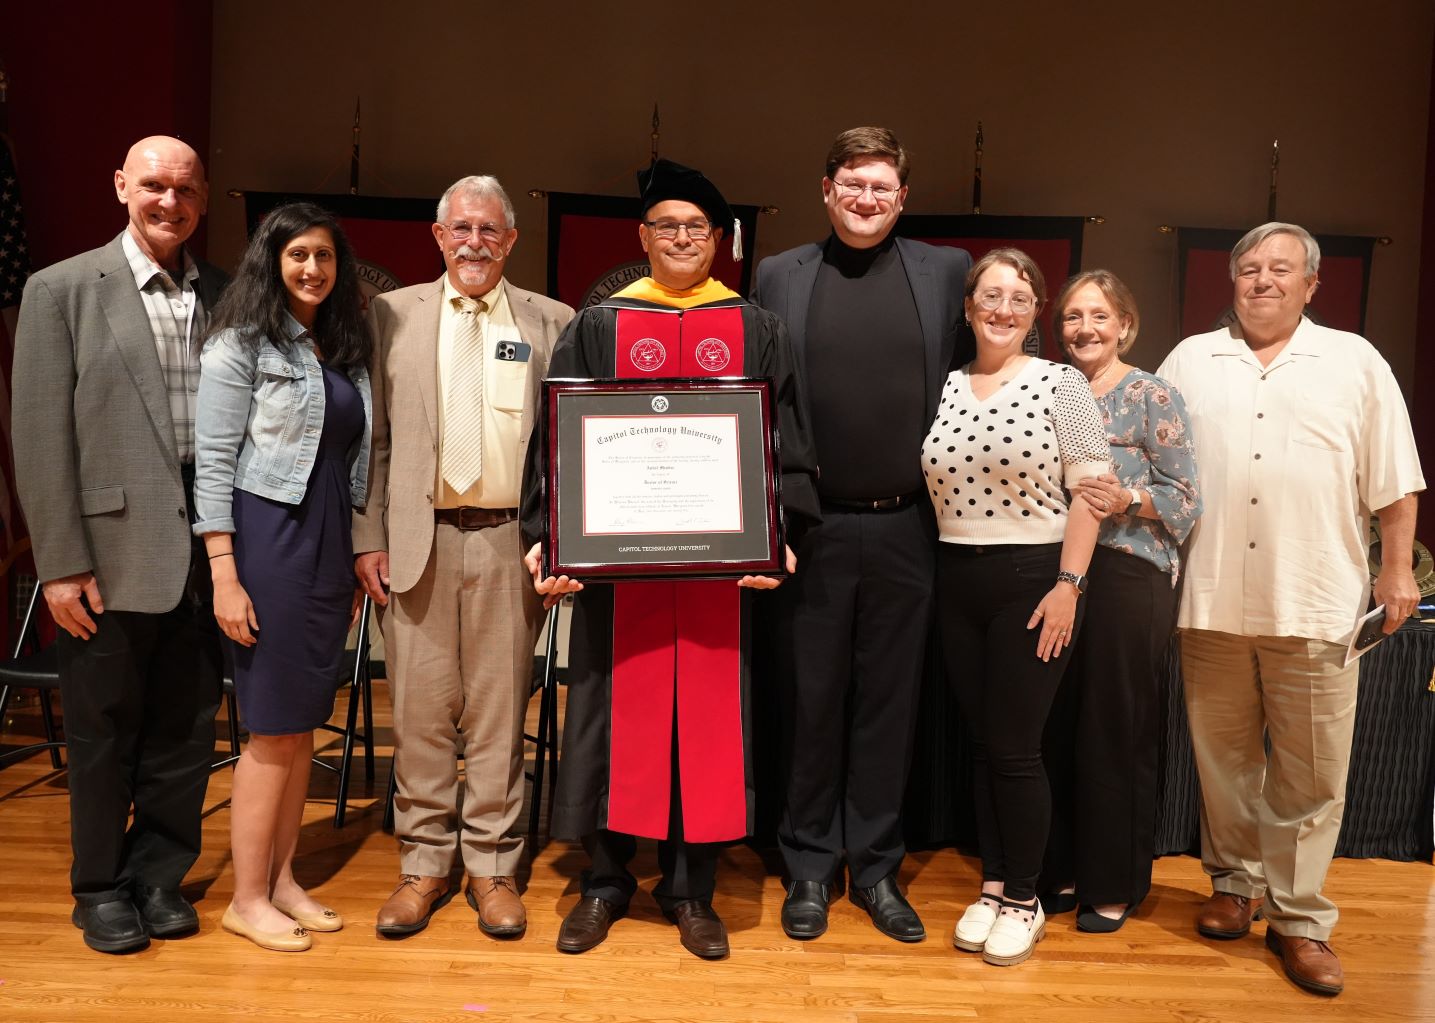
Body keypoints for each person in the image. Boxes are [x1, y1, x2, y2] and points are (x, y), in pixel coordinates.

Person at [521, 158, 820, 960]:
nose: (681, 239)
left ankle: (691, 888)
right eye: (666, 226)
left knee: (705, 724)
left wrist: (780, 533)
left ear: (718, 239)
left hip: (719, 577)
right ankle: (605, 881)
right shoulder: (600, 324)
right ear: (642, 236)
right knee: (613, 713)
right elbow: (555, 439)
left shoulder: (756, 328)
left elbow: (787, 440)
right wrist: (550, 534)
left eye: (695, 227)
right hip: (622, 577)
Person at [1157, 223, 1424, 996]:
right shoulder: (1189, 360)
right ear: (1230, 281)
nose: (1262, 279)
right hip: (1209, 597)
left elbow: (1394, 478)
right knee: (1223, 760)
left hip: (1314, 598)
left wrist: (1395, 569)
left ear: (1311, 284)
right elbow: (1154, 469)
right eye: (1248, 268)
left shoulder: (1354, 361)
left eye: (1280, 268)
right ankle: (1233, 884)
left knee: (1311, 771)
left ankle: (1299, 918)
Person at [751, 126, 971, 943]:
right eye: (852, 183)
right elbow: (762, 398)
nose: (865, 198)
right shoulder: (779, 273)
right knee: (810, 701)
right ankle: (809, 863)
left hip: (910, 524)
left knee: (888, 705)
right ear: (826, 189)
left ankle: (875, 867)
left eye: (881, 186)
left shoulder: (945, 271)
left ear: (902, 197)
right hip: (811, 526)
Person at [11, 136, 226, 954]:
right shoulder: (61, 289)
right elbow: (38, 435)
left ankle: (159, 877)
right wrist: (60, 564)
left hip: (206, 547)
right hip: (104, 554)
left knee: (186, 726)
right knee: (103, 731)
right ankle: (100, 887)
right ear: (120, 187)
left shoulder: (227, 292)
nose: (169, 201)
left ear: (202, 197)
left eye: (185, 189)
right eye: (154, 185)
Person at [352, 175, 573, 940]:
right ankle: (423, 865)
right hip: (417, 540)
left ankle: (492, 868)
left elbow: (564, 448)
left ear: (510, 240)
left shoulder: (551, 320)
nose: (474, 242)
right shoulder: (390, 314)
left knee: (497, 714)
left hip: (510, 542)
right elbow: (372, 439)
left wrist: (563, 542)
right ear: (438, 237)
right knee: (418, 713)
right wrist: (367, 535)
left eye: (489, 230)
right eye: (461, 228)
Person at [192, 202, 372, 951]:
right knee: (270, 729)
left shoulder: (342, 345)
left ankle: (284, 878)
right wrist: (224, 575)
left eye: (324, 256)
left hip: (328, 538)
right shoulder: (238, 343)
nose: (312, 268)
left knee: (301, 726)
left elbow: (352, 457)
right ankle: (247, 897)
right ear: (271, 260)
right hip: (268, 538)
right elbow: (212, 462)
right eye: (297, 254)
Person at [927, 248, 1110, 967]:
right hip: (955, 575)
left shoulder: (1061, 383)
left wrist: (1069, 585)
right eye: (991, 295)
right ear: (968, 306)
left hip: (1034, 578)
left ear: (1035, 312)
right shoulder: (943, 384)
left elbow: (1091, 492)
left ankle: (1024, 898)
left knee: (1015, 747)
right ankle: (994, 884)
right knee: (983, 745)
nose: (1003, 309)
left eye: (1019, 298)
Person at [1038, 270, 1201, 932]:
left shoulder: (1151, 394)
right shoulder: (1048, 388)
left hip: (1130, 573)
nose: (1085, 328)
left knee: (1115, 727)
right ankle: (1061, 866)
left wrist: (1128, 498)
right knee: (1057, 724)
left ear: (1125, 326)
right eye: (1073, 316)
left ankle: (1112, 882)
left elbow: (1185, 499)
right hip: (1055, 573)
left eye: (1099, 316)